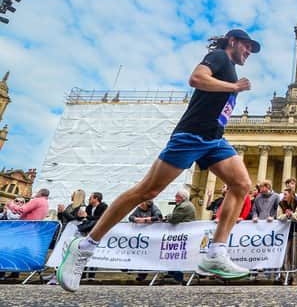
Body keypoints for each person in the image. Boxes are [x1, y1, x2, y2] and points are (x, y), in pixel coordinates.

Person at [56, 29, 260, 292]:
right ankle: (85, 245)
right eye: (246, 47)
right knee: (147, 191)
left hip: (214, 139)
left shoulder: (229, 66)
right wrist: (233, 87)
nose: (248, 53)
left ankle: (215, 253)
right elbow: (196, 78)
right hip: (192, 135)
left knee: (242, 185)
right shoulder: (220, 57)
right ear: (233, 41)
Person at [164, 189, 196, 284]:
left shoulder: (183, 206)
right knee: (174, 254)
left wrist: (167, 216)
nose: (175, 199)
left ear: (182, 197)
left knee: (177, 254)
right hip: (182, 234)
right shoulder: (186, 204)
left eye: (176, 197)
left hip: (182, 235)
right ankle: (172, 273)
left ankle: (177, 276)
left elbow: (174, 218)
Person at [277, 188, 297, 273]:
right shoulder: (281, 204)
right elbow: (279, 216)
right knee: (284, 253)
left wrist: (291, 214)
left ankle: (294, 275)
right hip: (283, 232)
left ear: (290, 195)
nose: (283, 196)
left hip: (294, 230)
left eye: (285, 194)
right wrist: (286, 215)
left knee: (294, 253)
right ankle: (284, 274)